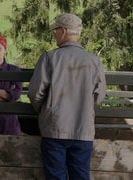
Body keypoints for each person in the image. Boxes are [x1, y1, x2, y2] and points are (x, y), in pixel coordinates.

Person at [27, 13, 107, 179]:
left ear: (63, 31)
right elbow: (99, 96)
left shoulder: (50, 58)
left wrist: (44, 111)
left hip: (54, 129)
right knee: (81, 175)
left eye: (55, 30)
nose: (54, 34)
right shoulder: (93, 61)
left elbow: (35, 93)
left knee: (55, 176)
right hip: (83, 129)